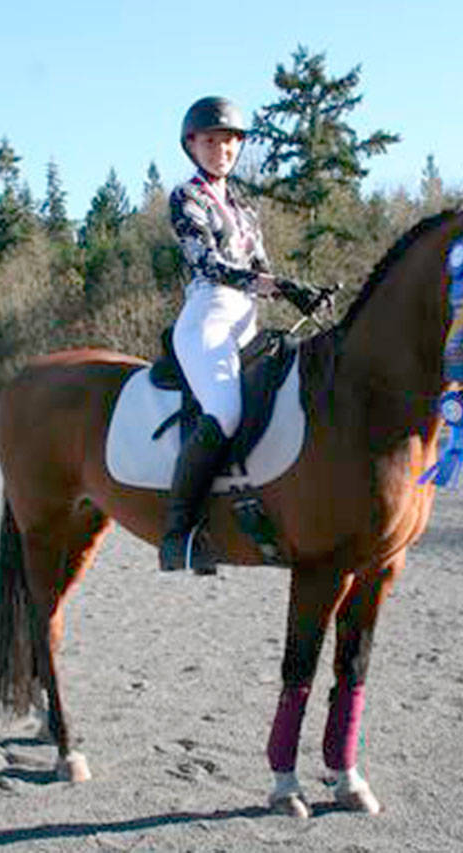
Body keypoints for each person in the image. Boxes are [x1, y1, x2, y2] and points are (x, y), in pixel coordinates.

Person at [160, 95, 318, 573]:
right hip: (208, 316)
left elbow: (263, 270)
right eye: (211, 141)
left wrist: (298, 293)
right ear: (192, 145)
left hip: (247, 319)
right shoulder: (186, 198)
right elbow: (208, 263)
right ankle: (178, 532)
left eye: (229, 142)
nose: (221, 150)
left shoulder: (246, 210)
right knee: (225, 411)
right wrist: (268, 283)